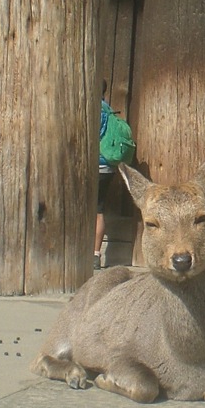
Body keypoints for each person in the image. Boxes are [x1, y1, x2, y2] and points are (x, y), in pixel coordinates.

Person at [95, 81, 115, 270]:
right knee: (99, 211)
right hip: (107, 166)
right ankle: (96, 253)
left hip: (90, 166)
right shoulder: (108, 109)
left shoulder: (91, 108)